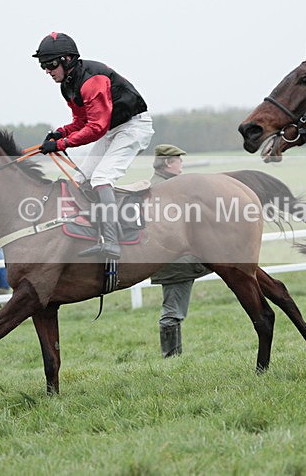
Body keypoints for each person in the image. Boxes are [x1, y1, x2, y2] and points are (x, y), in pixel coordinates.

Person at [32, 32, 154, 259]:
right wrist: (61, 132)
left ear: (67, 60)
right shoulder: (67, 85)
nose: (47, 71)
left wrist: (61, 143)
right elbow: (81, 122)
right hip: (113, 129)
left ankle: (111, 240)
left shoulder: (91, 81)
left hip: (133, 127)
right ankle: (91, 228)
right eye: (43, 67)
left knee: (100, 178)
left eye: (49, 65)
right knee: (79, 180)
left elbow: (96, 128)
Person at [149, 144, 211, 357]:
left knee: (174, 310)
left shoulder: (161, 185)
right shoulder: (165, 189)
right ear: (168, 163)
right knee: (173, 313)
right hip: (176, 262)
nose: (182, 165)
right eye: (179, 160)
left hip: (176, 260)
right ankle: (172, 360)